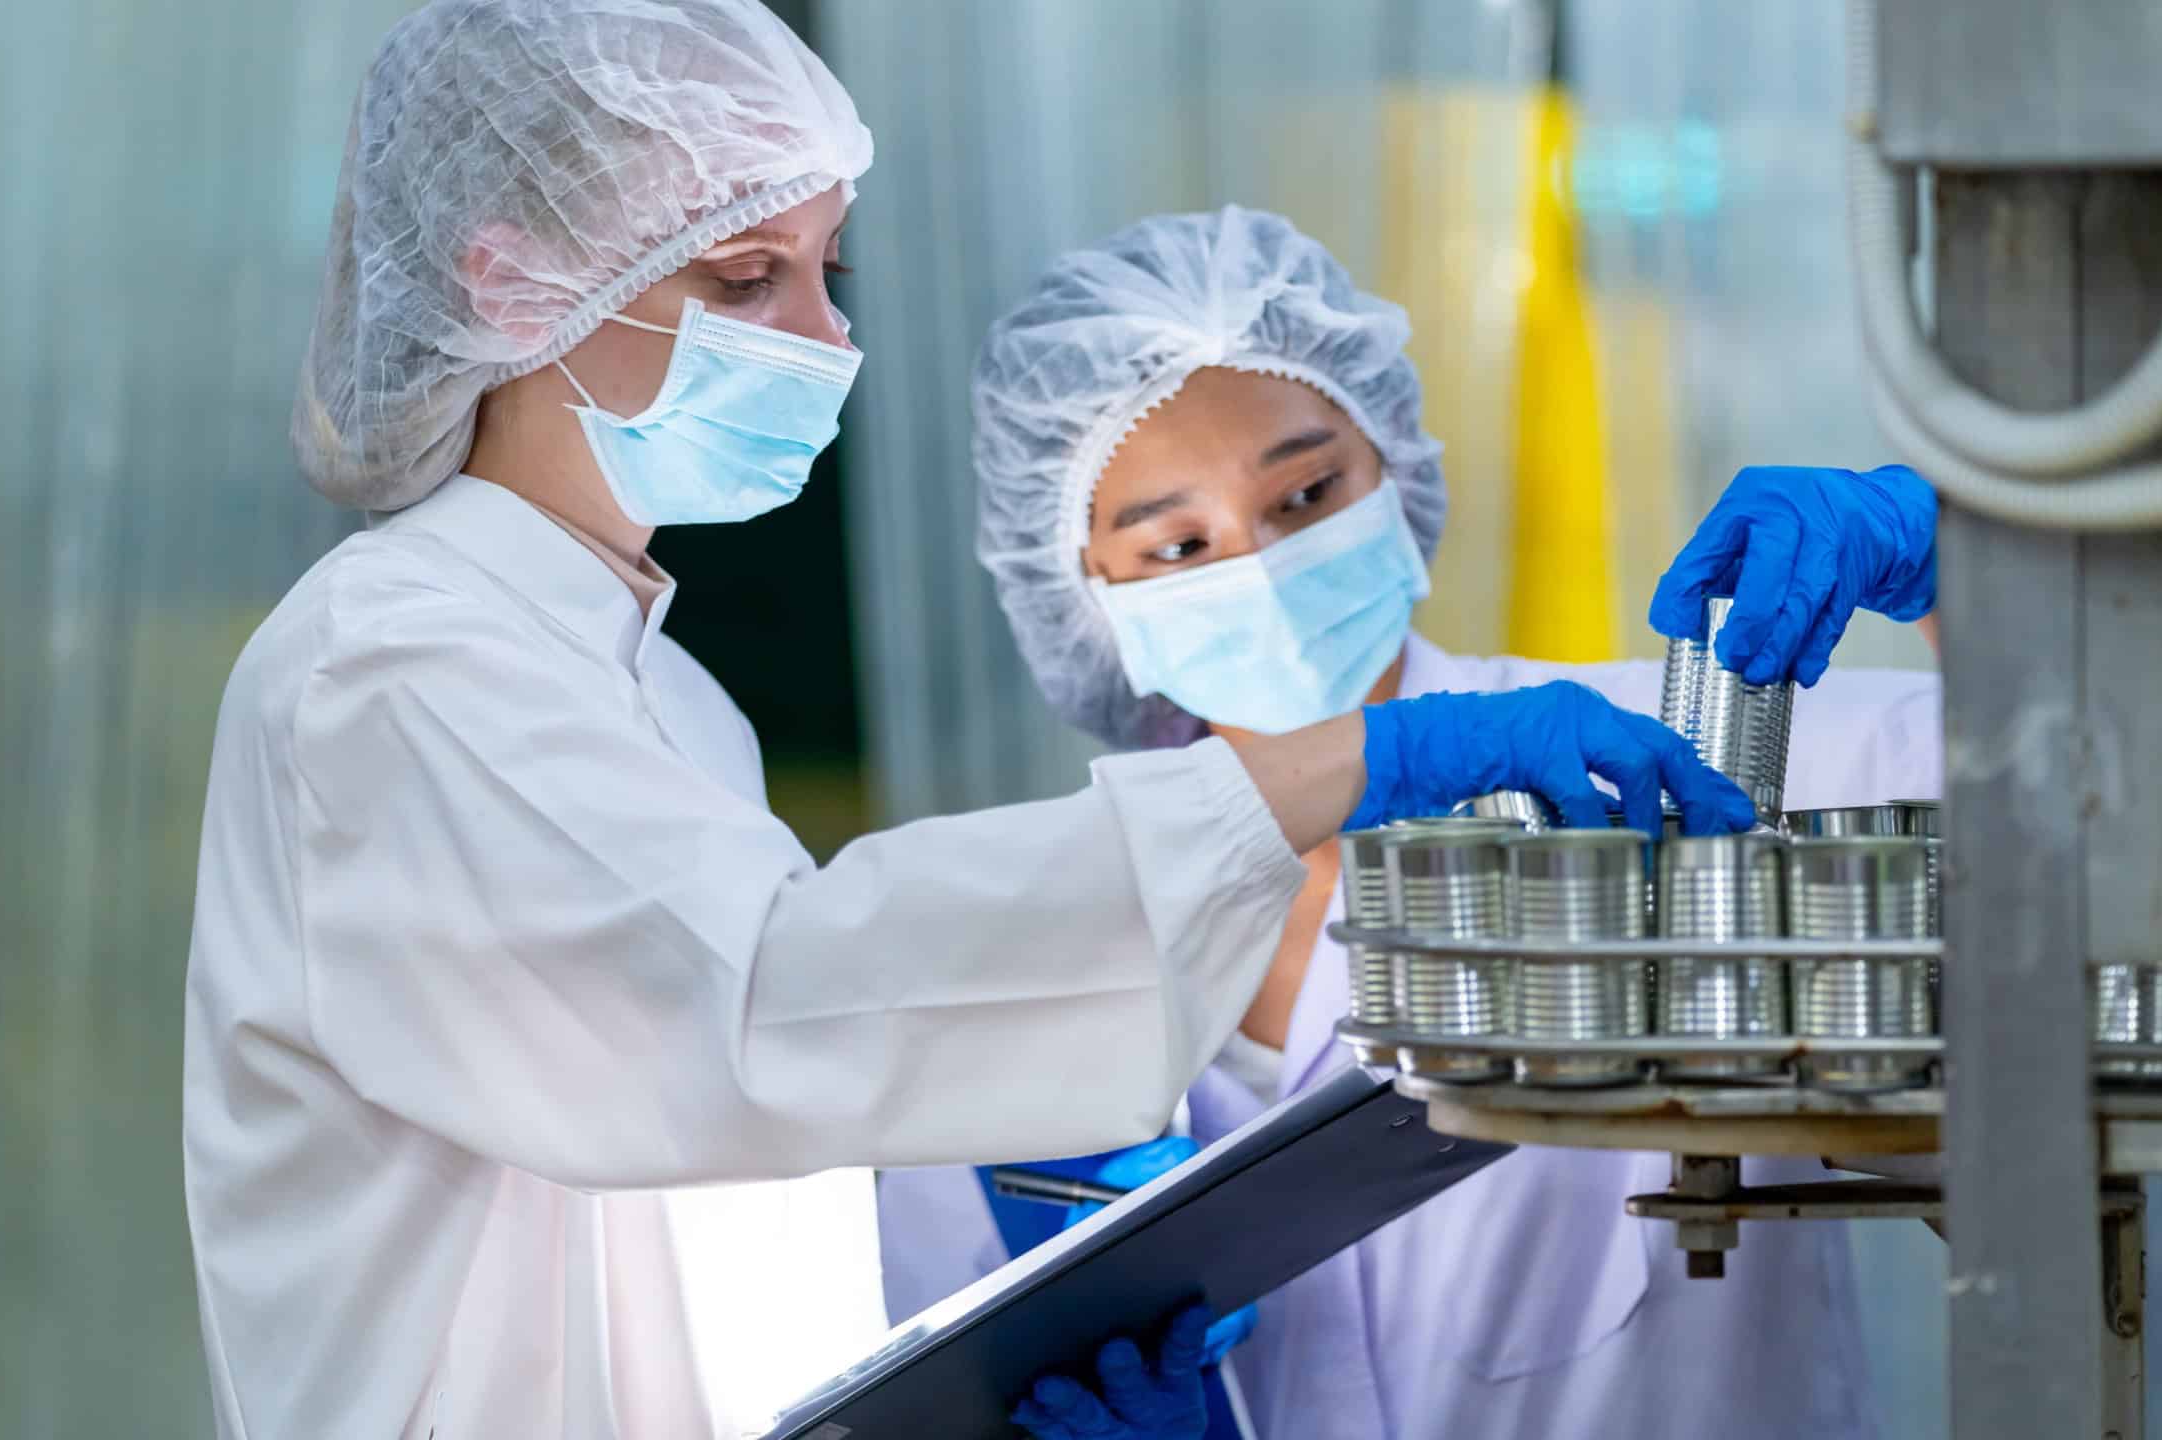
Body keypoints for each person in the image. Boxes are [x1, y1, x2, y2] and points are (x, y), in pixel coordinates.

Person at [180, 8, 1757, 1439]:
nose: (824, 340)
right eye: (743, 279)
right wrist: (1350, 766)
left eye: (825, 273)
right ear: (511, 277)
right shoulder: (391, 668)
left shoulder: (660, 692)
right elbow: (759, 1014)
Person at [875, 206, 1945, 1439]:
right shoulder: (1030, 954)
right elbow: (943, 1376)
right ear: (1083, 594)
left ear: (1392, 464)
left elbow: (2071, 799)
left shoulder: (1680, 761)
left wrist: (1953, 558)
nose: (1264, 566)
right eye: (1176, 545)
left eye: (1307, 491)